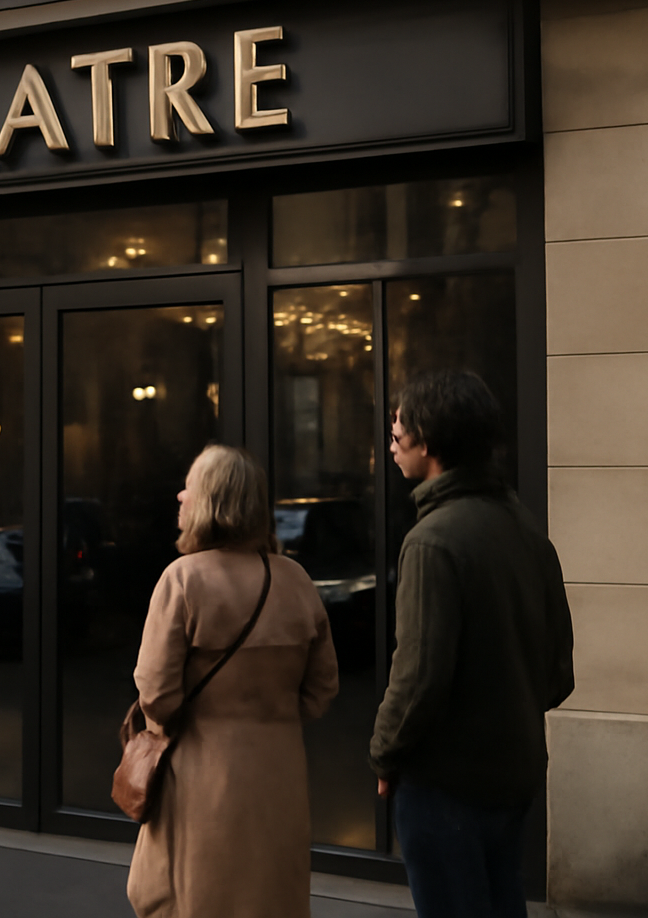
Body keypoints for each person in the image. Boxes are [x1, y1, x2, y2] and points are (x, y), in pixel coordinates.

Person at [371, 371, 575, 918]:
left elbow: (418, 676)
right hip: (515, 773)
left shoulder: (432, 541)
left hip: (445, 784)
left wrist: (384, 752)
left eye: (397, 434)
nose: (391, 447)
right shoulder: (525, 528)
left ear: (428, 443)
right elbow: (559, 670)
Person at [128, 444, 340, 918]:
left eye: (190, 487)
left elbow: (156, 695)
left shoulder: (182, 580)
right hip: (280, 774)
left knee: (197, 898)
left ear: (210, 500)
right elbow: (322, 688)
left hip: (203, 779)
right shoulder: (296, 579)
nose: (180, 495)